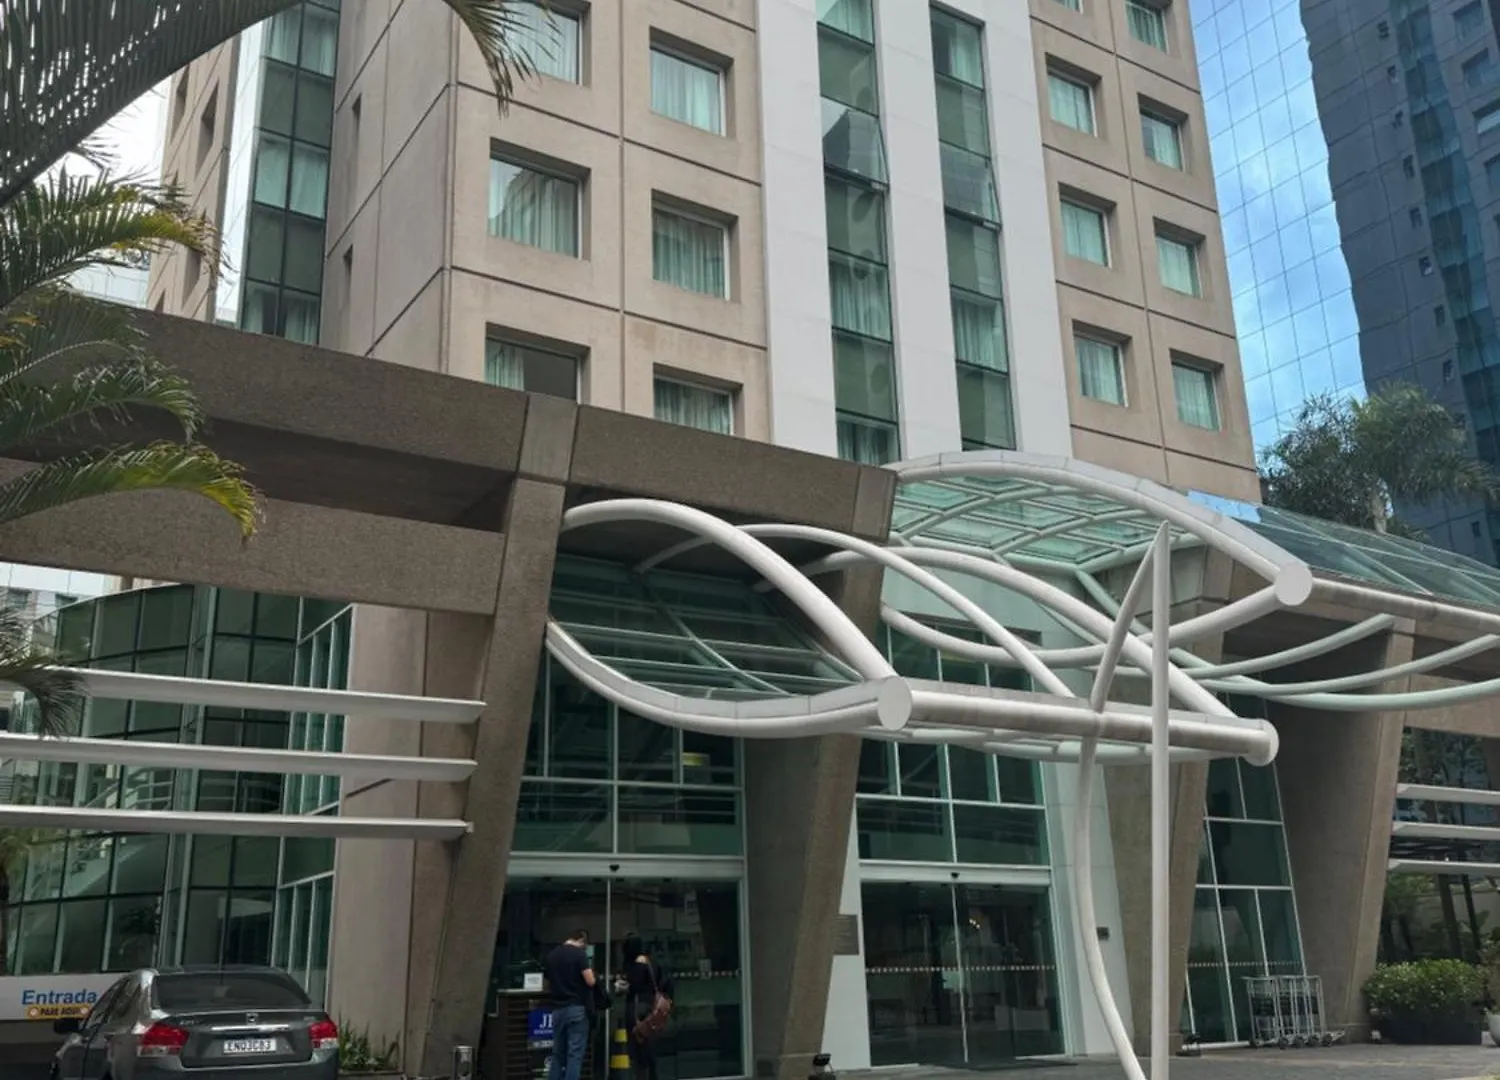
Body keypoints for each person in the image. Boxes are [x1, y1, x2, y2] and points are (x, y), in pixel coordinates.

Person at [614, 934, 674, 1080]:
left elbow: (627, 987)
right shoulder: (653, 963)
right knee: (650, 1049)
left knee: (638, 1050)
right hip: (652, 1008)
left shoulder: (632, 967)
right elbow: (667, 984)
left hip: (636, 1008)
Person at [543, 929, 597, 1080]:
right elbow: (590, 981)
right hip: (576, 1008)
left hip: (557, 1010)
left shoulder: (551, 955)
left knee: (557, 1054)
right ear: (581, 940)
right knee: (574, 1054)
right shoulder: (579, 954)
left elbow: (547, 983)